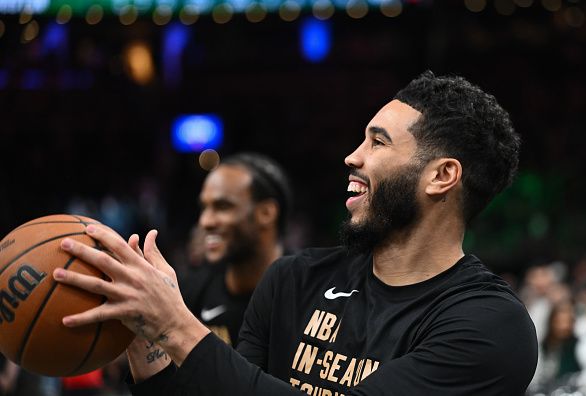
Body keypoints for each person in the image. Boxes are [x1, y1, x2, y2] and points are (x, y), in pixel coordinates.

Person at [52, 71, 538, 395]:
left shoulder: (490, 327)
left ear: (441, 176)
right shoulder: (294, 278)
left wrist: (173, 323)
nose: (353, 156)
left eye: (378, 141)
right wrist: (145, 339)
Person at [180, 152, 292, 347]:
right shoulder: (192, 292)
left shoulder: (307, 293)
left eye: (222, 207)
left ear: (266, 213)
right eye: (204, 208)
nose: (205, 221)